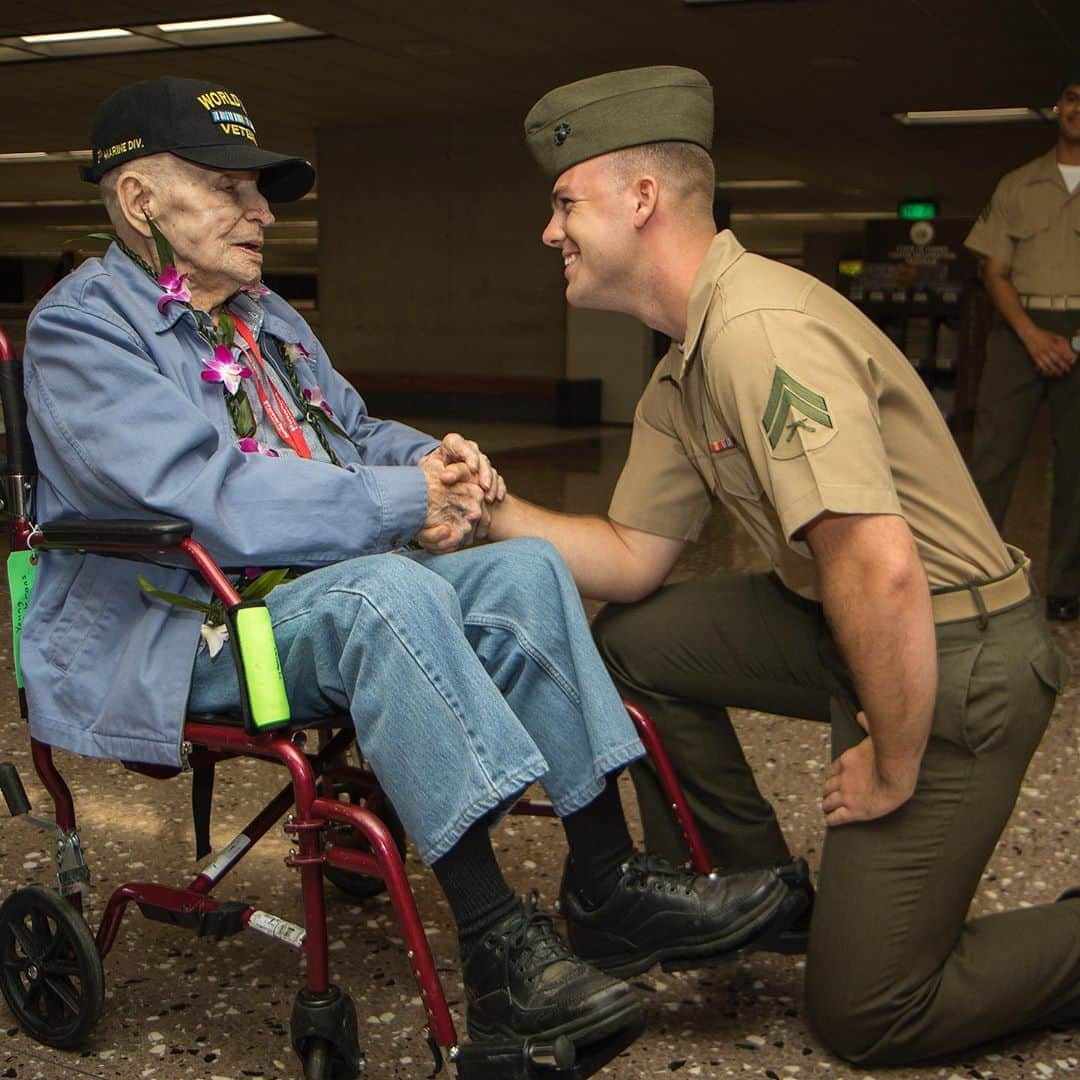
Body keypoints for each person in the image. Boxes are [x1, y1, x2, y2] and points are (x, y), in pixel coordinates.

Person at [20, 76, 799, 1067]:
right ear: (139, 201)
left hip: (291, 603)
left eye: (260, 191)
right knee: (382, 594)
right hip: (186, 635)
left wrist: (440, 458)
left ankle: (607, 886)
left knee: (523, 571)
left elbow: (349, 429)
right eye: (230, 189)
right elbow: (204, 495)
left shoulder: (266, 315)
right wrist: (401, 501)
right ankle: (499, 957)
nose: (263, 213)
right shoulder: (81, 331)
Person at [487, 65, 1080, 1065]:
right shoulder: (685, 360)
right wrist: (489, 510)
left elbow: (878, 566)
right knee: (634, 642)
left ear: (640, 200)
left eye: (564, 202)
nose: (550, 232)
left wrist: (893, 759)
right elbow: (631, 561)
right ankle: (749, 888)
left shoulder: (759, 329)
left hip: (957, 654)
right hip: (846, 628)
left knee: (871, 1011)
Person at [965, 70, 1080, 620]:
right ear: (1057, 106)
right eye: (1072, 98)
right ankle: (973, 577)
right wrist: (1033, 336)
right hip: (1018, 325)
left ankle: (1066, 588)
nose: (1078, 108)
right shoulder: (1017, 184)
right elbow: (994, 272)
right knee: (991, 459)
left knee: (1077, 467)